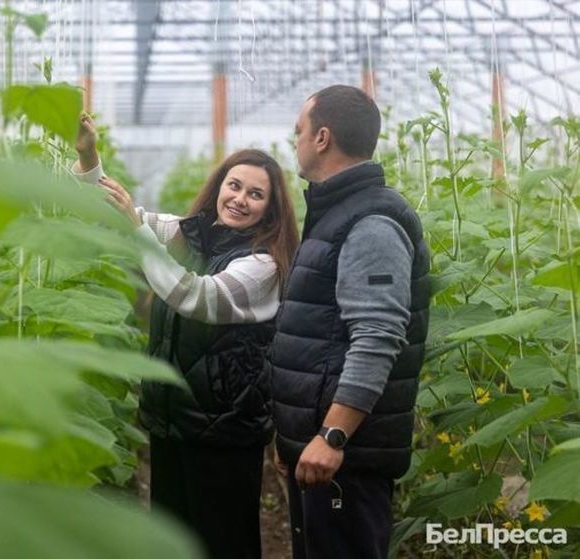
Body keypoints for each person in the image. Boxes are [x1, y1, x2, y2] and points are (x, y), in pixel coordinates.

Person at [73, 115, 299, 559]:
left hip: (225, 435)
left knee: (222, 542)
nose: (240, 199)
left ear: (271, 210)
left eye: (256, 194)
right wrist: (87, 154)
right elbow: (108, 210)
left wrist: (139, 233)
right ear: (218, 186)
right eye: (234, 186)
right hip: (173, 423)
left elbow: (195, 297)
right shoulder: (192, 234)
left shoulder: (263, 265)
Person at [268, 85, 431, 558]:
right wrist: (296, 437)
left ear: (322, 138)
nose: (293, 140)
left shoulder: (372, 222)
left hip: (345, 459)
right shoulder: (339, 213)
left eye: (298, 130)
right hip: (322, 453)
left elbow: (377, 336)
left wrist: (332, 435)